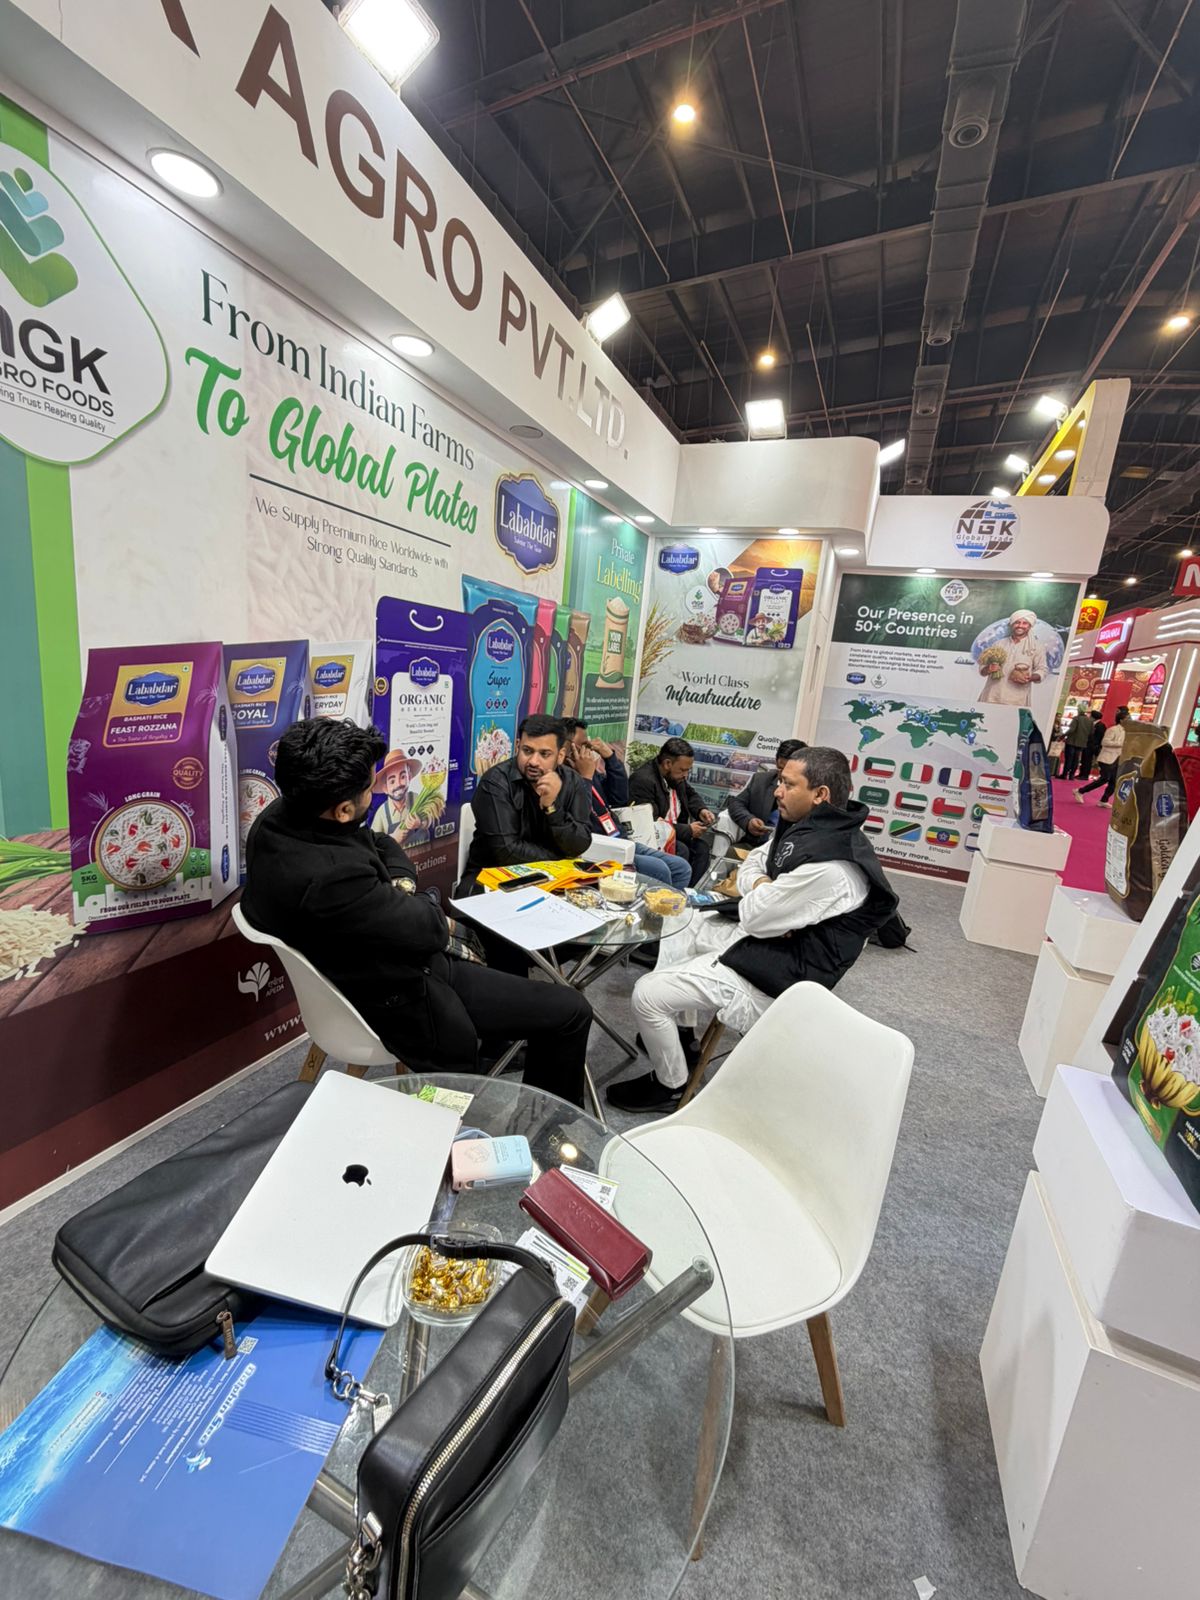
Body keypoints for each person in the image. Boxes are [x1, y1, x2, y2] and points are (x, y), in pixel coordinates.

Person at [240, 718, 591, 1105]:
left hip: (373, 960)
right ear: (343, 810)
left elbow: (379, 842)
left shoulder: (281, 818)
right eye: (368, 790)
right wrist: (417, 901)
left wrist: (402, 885)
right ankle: (555, 1128)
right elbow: (427, 927)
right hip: (400, 990)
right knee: (571, 1010)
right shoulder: (334, 879)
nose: (373, 794)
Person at [606, 746, 899, 1112]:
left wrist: (761, 897)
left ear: (820, 794)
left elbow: (755, 916)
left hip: (781, 975)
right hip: (772, 942)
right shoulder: (814, 826)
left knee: (646, 995)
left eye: (788, 784)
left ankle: (671, 1085)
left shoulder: (831, 866)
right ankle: (682, 1033)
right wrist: (764, 886)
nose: (777, 790)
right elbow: (754, 861)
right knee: (682, 914)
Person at [459, 713, 591, 891]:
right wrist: (560, 860)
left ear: (560, 756)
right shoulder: (496, 782)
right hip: (492, 881)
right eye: (527, 751)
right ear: (517, 746)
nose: (534, 762)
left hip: (553, 881)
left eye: (544, 754)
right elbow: (506, 851)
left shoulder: (573, 782)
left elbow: (580, 843)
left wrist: (552, 807)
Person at [561, 718, 690, 890]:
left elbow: (619, 798)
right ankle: (657, 904)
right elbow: (580, 816)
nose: (588, 751)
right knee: (659, 869)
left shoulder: (587, 770)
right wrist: (585, 778)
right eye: (583, 746)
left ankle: (671, 904)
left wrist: (609, 757)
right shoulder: (564, 778)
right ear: (566, 749)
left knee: (681, 868)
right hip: (598, 846)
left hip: (618, 838)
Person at [628, 737, 716, 886]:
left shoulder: (676, 777)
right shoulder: (643, 780)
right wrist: (688, 830)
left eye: (688, 770)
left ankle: (689, 890)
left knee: (702, 849)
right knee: (682, 850)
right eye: (683, 770)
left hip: (674, 831)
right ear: (667, 763)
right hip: (655, 837)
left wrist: (701, 810)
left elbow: (690, 794)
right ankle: (672, 891)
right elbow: (650, 822)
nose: (686, 775)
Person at [726, 739, 808, 845]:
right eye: (780, 769)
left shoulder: (808, 792)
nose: (783, 774)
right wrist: (748, 821)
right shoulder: (760, 780)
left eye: (789, 771)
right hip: (754, 845)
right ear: (776, 762)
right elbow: (736, 803)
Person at [977, 610, 1050, 707]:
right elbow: (982, 669)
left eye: (1024, 623)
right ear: (1012, 624)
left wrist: (1030, 677)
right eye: (1017, 622)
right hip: (991, 696)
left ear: (1030, 626)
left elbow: (1042, 669)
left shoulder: (1037, 647)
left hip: (1016, 701)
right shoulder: (999, 644)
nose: (1020, 626)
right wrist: (988, 669)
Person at [370, 749, 426, 846]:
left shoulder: (417, 798)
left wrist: (420, 823)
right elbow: (373, 843)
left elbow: (431, 820)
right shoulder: (382, 813)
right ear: (385, 788)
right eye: (392, 781)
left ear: (409, 777)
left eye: (403, 777)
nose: (398, 784)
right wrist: (393, 838)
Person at [1076, 707, 1128, 807]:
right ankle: (1080, 791)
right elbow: (1105, 742)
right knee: (1104, 778)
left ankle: (1104, 800)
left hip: (1118, 758)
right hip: (1107, 758)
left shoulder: (1126, 732)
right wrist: (1120, 744)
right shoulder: (1112, 729)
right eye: (1127, 719)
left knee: (1114, 781)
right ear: (1121, 720)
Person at [1061, 709, 1092, 782]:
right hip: (1082, 742)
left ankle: (1065, 774)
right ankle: (1072, 774)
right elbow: (1091, 732)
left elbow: (1072, 729)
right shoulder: (1090, 721)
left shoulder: (1076, 719)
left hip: (1072, 741)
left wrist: (1063, 735)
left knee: (1069, 758)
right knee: (1076, 759)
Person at [1085, 715, 1107, 781]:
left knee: (1093, 761)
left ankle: (1092, 774)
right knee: (1088, 760)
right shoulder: (1098, 724)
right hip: (1093, 745)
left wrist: (1097, 745)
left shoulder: (1100, 725)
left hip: (1095, 746)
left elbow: (1100, 736)